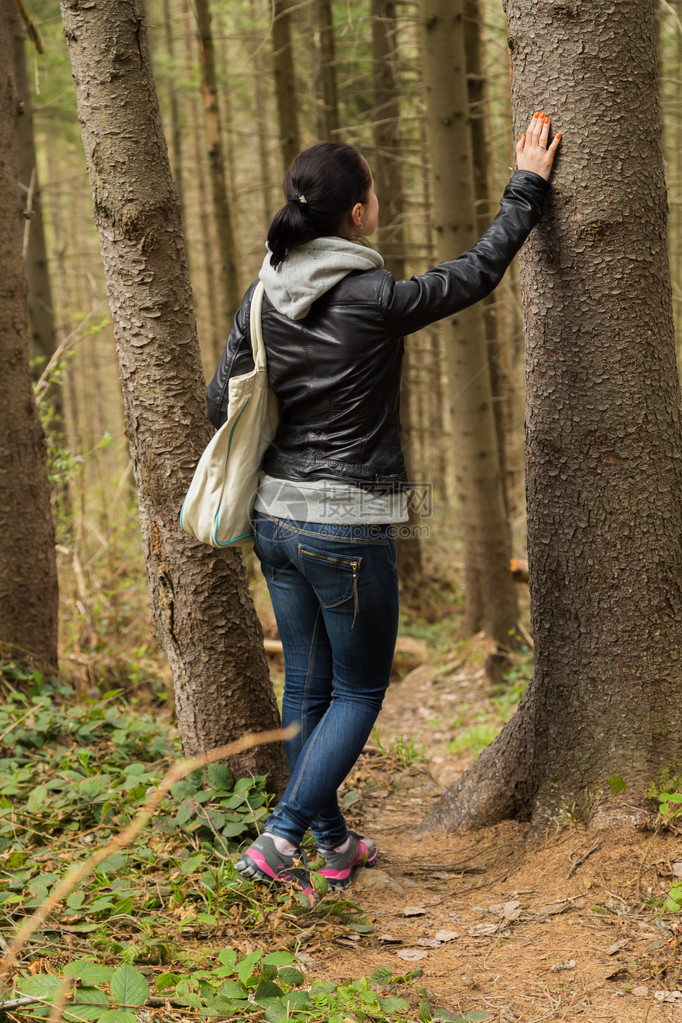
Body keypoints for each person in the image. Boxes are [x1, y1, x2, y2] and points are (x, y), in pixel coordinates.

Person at [207, 112, 560, 896]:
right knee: (360, 691)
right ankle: (281, 835)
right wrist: (527, 188)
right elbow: (473, 274)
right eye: (372, 192)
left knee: (306, 688)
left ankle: (332, 839)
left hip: (272, 521)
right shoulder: (371, 295)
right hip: (346, 526)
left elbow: (216, 402)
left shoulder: (261, 296)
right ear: (358, 211)